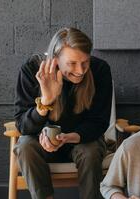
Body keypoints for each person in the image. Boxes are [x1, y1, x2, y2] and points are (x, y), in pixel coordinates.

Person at [14, 27, 113, 199]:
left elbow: (99, 121)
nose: (81, 70)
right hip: (43, 143)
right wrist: (45, 102)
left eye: (85, 62)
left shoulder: (99, 70)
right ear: (55, 59)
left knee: (91, 150)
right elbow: (22, 125)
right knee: (24, 145)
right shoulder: (31, 70)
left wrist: (71, 137)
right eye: (72, 63)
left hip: (81, 141)